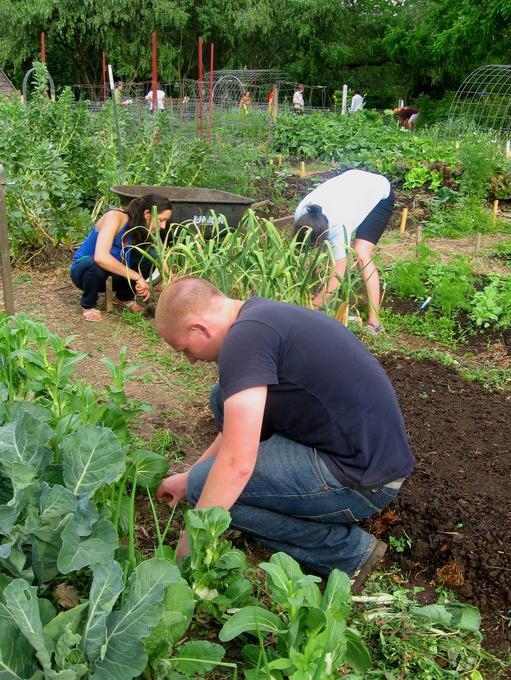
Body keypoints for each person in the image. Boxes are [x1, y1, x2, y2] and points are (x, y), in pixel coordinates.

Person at [155, 278, 414, 587]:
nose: (191, 360)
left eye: (185, 349)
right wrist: (190, 473)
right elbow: (239, 432)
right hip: (362, 454)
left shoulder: (243, 340)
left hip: (362, 481)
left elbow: (237, 464)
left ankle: (347, 553)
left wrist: (190, 542)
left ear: (200, 328)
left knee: (205, 488)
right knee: (223, 397)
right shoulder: (259, 316)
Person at [293, 169, 394, 332]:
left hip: (378, 192)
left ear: (326, 233)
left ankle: (375, 323)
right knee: (328, 256)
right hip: (353, 187)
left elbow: (338, 273)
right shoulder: (301, 213)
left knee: (361, 252)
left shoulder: (339, 226)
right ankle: (325, 299)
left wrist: (313, 307)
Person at [70, 194, 172, 321]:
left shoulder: (144, 227)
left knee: (149, 257)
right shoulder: (116, 217)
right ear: (147, 214)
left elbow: (162, 257)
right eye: (161, 220)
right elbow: (100, 257)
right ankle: (88, 305)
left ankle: (125, 297)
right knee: (96, 264)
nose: (163, 226)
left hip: (114, 275)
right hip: (84, 271)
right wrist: (138, 277)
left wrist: (173, 285)